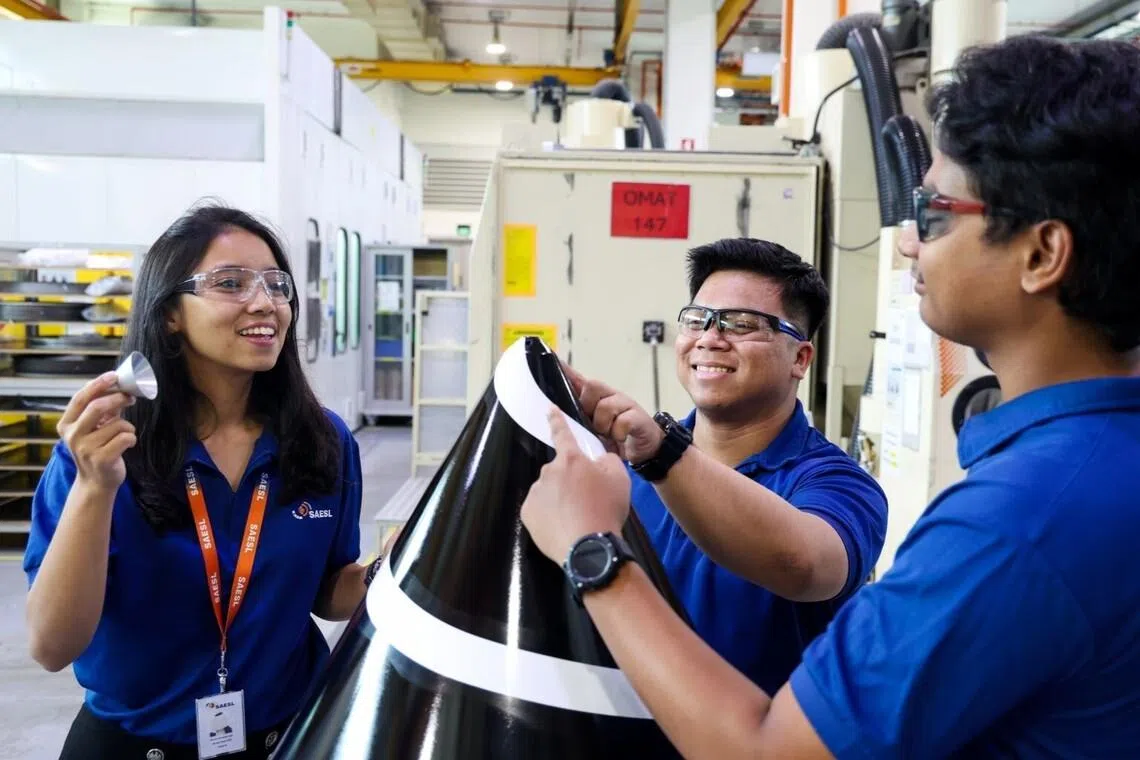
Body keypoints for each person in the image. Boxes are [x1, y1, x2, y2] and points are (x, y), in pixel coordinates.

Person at [521, 34, 1140, 759]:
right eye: (701, 320)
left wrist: (592, 552)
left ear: (1041, 254)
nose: (910, 242)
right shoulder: (1095, 469)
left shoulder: (1017, 522)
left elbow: (764, 745)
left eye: (934, 214)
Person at [23, 204, 384, 759]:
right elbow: (52, 645)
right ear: (170, 312)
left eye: (276, 285)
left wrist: (389, 570)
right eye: (231, 284)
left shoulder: (323, 443)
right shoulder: (104, 451)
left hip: (286, 738)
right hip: (134, 747)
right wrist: (95, 490)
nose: (265, 303)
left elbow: (325, 592)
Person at [560, 237, 888, 694]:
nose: (710, 339)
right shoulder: (627, 468)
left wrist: (662, 455)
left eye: (741, 324)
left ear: (800, 357)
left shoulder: (836, 484)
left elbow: (805, 565)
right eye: (698, 320)